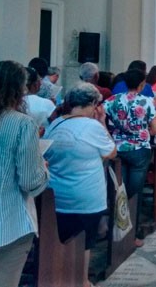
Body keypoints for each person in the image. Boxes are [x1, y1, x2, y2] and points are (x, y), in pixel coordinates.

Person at [43, 83, 116, 287]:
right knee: (85, 243)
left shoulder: (56, 124)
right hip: (86, 196)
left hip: (56, 195)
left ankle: (56, 277)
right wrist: (101, 122)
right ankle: (81, 281)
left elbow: (46, 152)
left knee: (60, 240)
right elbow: (111, 152)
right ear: (92, 104)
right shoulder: (92, 126)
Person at [0, 61, 49, 286]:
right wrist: (43, 169)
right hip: (7, 220)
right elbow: (30, 182)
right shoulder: (22, 124)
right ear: (18, 89)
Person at [103, 68, 156, 246]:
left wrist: (112, 133)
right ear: (142, 84)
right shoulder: (146, 101)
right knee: (134, 193)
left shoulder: (113, 100)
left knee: (119, 190)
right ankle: (132, 235)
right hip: (139, 149)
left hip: (118, 149)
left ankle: (115, 230)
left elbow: (99, 117)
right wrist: (142, 132)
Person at [24, 66, 56, 133]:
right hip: (43, 141)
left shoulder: (11, 102)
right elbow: (55, 124)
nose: (41, 83)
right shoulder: (46, 103)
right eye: (40, 80)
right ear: (35, 84)